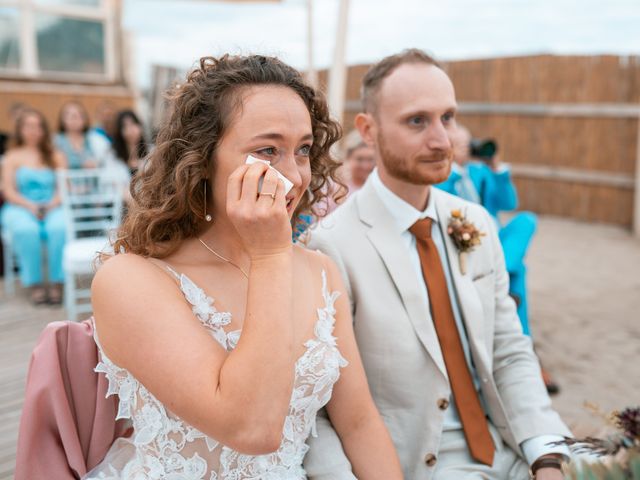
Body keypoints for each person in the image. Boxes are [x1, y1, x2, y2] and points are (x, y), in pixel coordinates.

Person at [85, 54, 403, 479]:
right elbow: (251, 428)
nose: (293, 175)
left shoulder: (321, 272)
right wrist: (271, 255)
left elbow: (360, 423)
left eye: (303, 150)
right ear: (201, 159)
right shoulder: (131, 280)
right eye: (267, 150)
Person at [304, 49, 571, 479]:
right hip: (413, 464)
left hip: (510, 449)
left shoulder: (475, 222)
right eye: (417, 121)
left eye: (448, 117)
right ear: (368, 130)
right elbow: (316, 411)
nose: (442, 140)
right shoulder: (329, 247)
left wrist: (547, 457)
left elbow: (509, 350)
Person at [437, 125, 537, 336]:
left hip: (495, 237)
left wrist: (496, 169)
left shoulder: (479, 172)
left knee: (527, 220)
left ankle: (501, 271)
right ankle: (521, 334)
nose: (467, 149)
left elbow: (509, 203)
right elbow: (440, 201)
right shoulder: (441, 173)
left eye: (468, 143)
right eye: (460, 144)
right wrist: (452, 166)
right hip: (468, 239)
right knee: (519, 271)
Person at [0, 109, 66, 304]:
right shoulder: (12, 156)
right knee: (26, 230)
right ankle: (34, 283)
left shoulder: (56, 155)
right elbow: (9, 191)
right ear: (20, 129)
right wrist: (30, 206)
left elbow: (62, 188)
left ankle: (57, 283)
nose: (34, 130)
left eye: (38, 126)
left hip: (53, 204)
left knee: (59, 227)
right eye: (28, 126)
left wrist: (50, 205)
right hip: (20, 206)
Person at [104, 109, 149, 203]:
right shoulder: (112, 155)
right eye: (125, 126)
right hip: (122, 206)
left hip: (147, 203)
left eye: (133, 124)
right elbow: (111, 183)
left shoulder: (151, 153)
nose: (131, 130)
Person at [54, 101, 111, 169]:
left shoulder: (95, 139)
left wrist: (96, 164)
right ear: (62, 119)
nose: (74, 118)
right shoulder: (55, 141)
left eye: (79, 115)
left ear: (85, 119)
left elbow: (106, 161)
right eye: (69, 115)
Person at [341, 129, 375, 196]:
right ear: (348, 158)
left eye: (370, 159)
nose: (366, 166)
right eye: (360, 159)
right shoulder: (335, 190)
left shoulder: (383, 190)